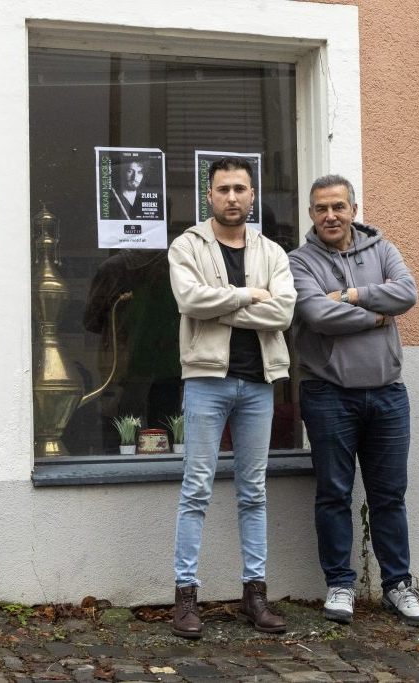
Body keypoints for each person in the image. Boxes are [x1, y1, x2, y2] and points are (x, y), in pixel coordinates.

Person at [288, 174, 419, 627]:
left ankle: (398, 586)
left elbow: (407, 293)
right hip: (328, 394)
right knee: (333, 494)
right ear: (311, 214)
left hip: (388, 393)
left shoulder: (382, 249)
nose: (330, 215)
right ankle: (340, 584)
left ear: (353, 209)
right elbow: (316, 313)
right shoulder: (299, 261)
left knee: (389, 495)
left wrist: (352, 295)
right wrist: (377, 317)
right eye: (321, 208)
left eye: (338, 207)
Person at [167, 157, 296, 639]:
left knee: (253, 491)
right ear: (209, 195)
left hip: (259, 383)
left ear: (252, 195)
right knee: (196, 488)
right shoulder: (187, 245)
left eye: (240, 188)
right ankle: (186, 596)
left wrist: (220, 305)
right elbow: (189, 301)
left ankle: (254, 594)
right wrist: (247, 295)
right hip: (206, 380)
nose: (232, 197)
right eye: (223, 189)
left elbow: (283, 313)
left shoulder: (272, 252)